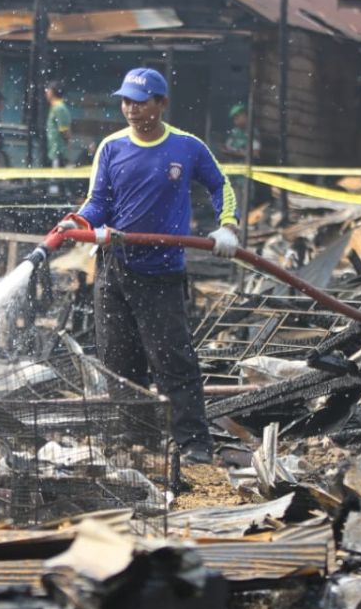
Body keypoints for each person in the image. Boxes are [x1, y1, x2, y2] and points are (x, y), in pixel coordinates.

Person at [54, 67, 240, 465]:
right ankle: (137, 439)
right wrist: (79, 222)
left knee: (172, 360)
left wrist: (226, 227)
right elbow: (98, 201)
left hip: (162, 271)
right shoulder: (111, 147)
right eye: (125, 102)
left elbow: (220, 185)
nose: (130, 110)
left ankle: (193, 443)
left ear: (161, 104)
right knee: (119, 361)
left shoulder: (187, 147)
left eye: (139, 103)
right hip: (114, 269)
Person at [45, 81, 72, 168]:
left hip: (57, 152)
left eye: (48, 90)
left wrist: (66, 146)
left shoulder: (59, 108)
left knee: (55, 178)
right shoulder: (54, 107)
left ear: (53, 92)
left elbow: (65, 131)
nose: (46, 93)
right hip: (53, 151)